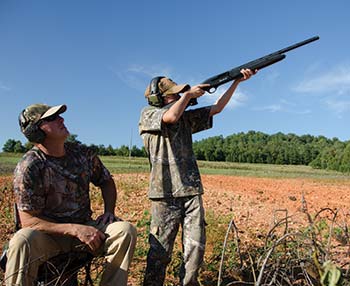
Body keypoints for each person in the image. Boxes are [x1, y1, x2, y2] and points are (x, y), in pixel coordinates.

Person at [139, 69, 256, 286]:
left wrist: (236, 82)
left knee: (195, 251)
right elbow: (171, 116)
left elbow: (217, 108)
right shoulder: (148, 114)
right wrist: (189, 96)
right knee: (160, 254)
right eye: (174, 94)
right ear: (158, 98)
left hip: (191, 192)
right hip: (164, 195)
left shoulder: (186, 117)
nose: (178, 96)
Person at [5, 103, 137, 286]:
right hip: (49, 237)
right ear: (36, 131)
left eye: (59, 115)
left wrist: (109, 211)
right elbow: (29, 222)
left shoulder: (82, 153)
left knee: (124, 231)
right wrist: (75, 229)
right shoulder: (29, 166)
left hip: (85, 229)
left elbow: (106, 181)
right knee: (22, 240)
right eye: (52, 118)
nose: (61, 119)